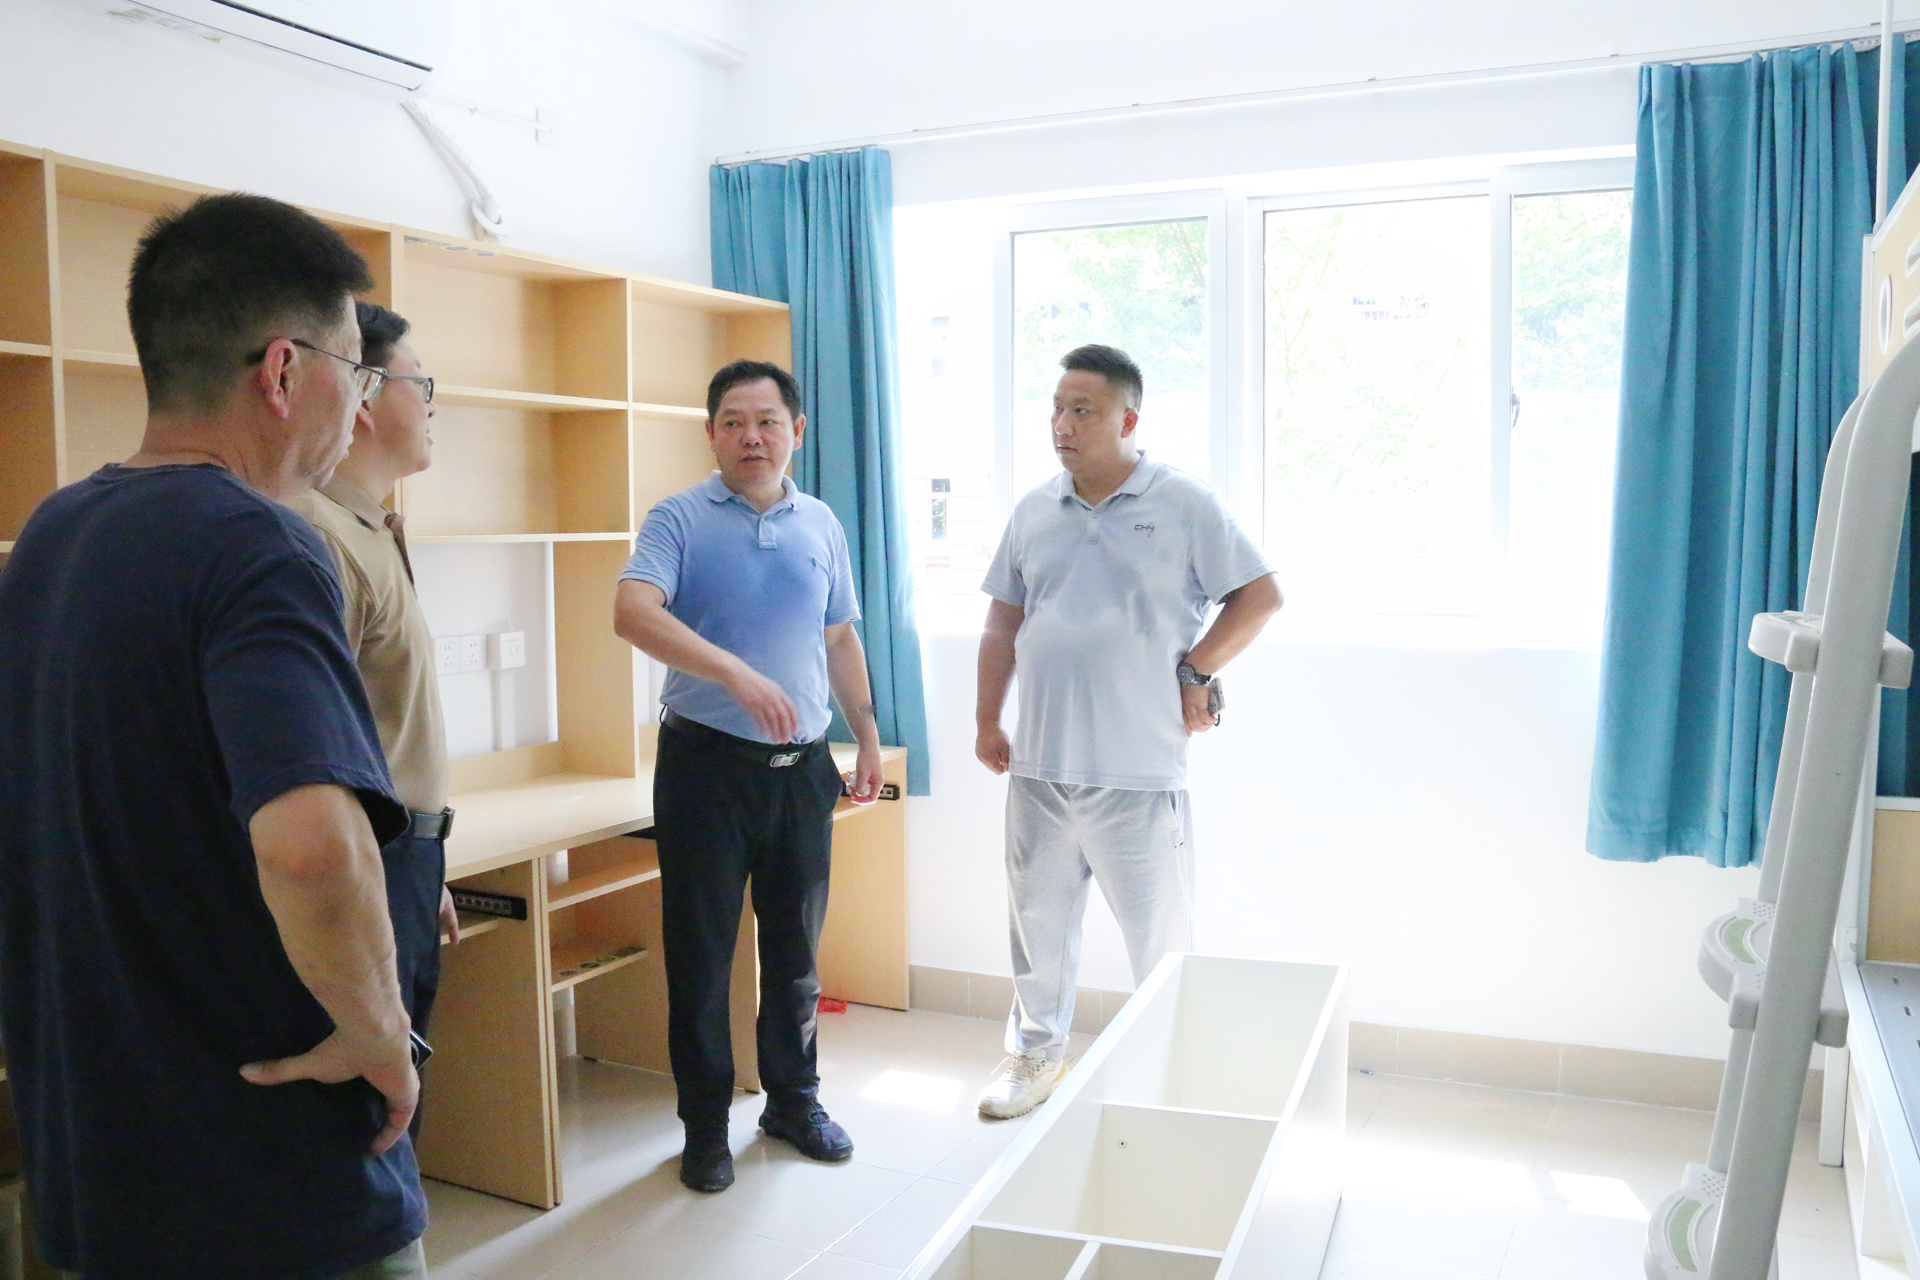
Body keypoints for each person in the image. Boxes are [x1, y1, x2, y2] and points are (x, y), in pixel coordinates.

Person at [0, 194, 428, 1279]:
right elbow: (312, 846)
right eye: (355, 370)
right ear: (283, 371)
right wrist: (380, 1029)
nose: (360, 402)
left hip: (99, 1144)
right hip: (264, 1162)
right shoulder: (258, 546)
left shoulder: (52, 533)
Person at [974, 344, 1283, 1119]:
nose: (1063, 424)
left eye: (1083, 410)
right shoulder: (1034, 510)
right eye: (1056, 408)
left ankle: (1173, 1071)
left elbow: (1259, 596)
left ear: (1128, 419)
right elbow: (1002, 624)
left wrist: (1197, 668)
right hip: (1040, 768)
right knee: (1037, 929)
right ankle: (1035, 1057)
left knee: (1159, 940)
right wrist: (986, 719)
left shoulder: (1181, 503)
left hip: (1137, 771)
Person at [613, 359, 885, 1194]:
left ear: (795, 431)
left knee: (796, 954)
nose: (751, 437)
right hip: (705, 769)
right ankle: (704, 1129)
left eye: (767, 421)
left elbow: (839, 637)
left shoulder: (821, 524)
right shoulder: (679, 518)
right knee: (702, 959)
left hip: (802, 770)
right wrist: (733, 672)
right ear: (711, 434)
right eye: (732, 422)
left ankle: (793, 1104)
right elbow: (633, 612)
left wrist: (867, 736)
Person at [286, 301, 461, 1099]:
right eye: (419, 383)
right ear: (361, 394)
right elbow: (318, 752)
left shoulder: (371, 526)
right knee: (373, 1100)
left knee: (400, 1086)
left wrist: (428, 864)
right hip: (368, 863)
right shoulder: (319, 536)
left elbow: (378, 722)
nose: (431, 405)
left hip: (403, 857)